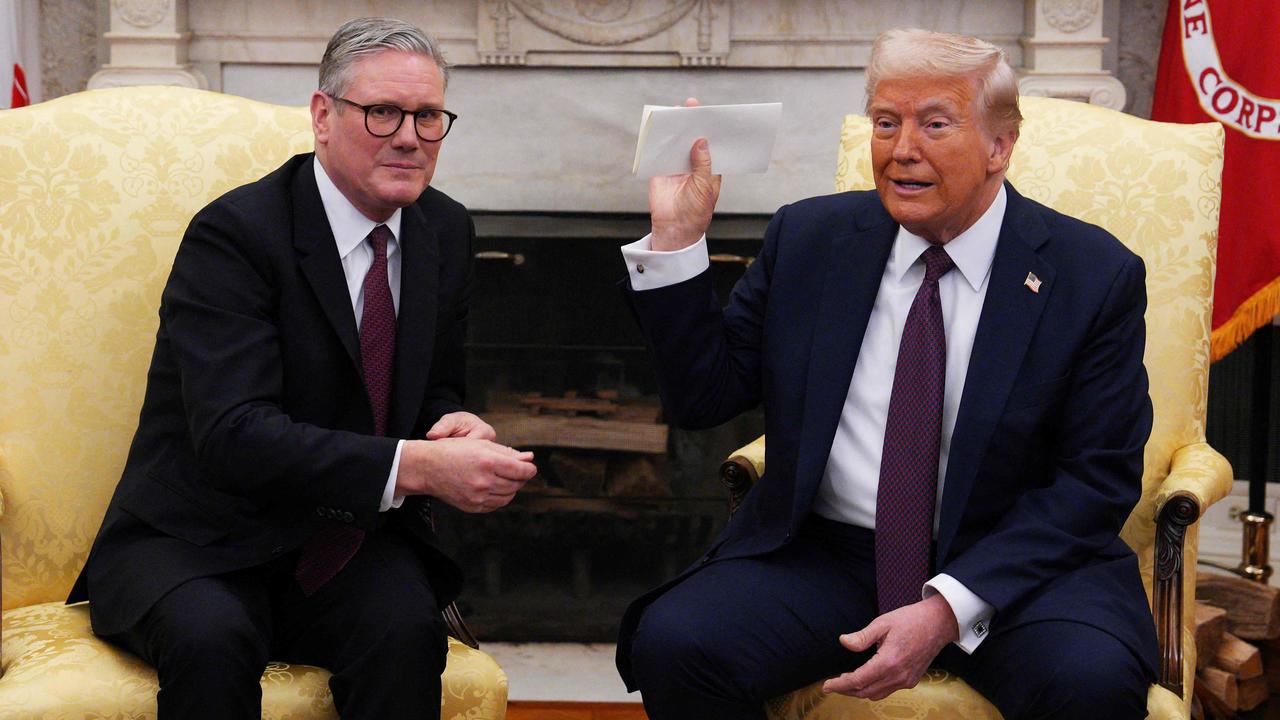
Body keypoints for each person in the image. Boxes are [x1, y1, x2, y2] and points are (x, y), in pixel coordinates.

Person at [616, 27, 1157, 720]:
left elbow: (1096, 481)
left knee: (1090, 682)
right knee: (678, 643)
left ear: (1000, 145)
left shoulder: (1091, 275)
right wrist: (677, 240)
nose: (902, 149)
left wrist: (946, 607)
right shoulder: (809, 240)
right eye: (885, 123)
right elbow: (703, 396)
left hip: (1019, 569)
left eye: (935, 124)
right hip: (832, 557)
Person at [67, 17, 537, 720]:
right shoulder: (236, 236)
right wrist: (414, 468)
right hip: (201, 537)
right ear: (323, 115)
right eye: (382, 112)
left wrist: (451, 427)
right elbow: (233, 434)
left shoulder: (444, 229)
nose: (408, 136)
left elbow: (431, 386)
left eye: (428, 116)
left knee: (406, 630)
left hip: (344, 537)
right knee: (212, 639)